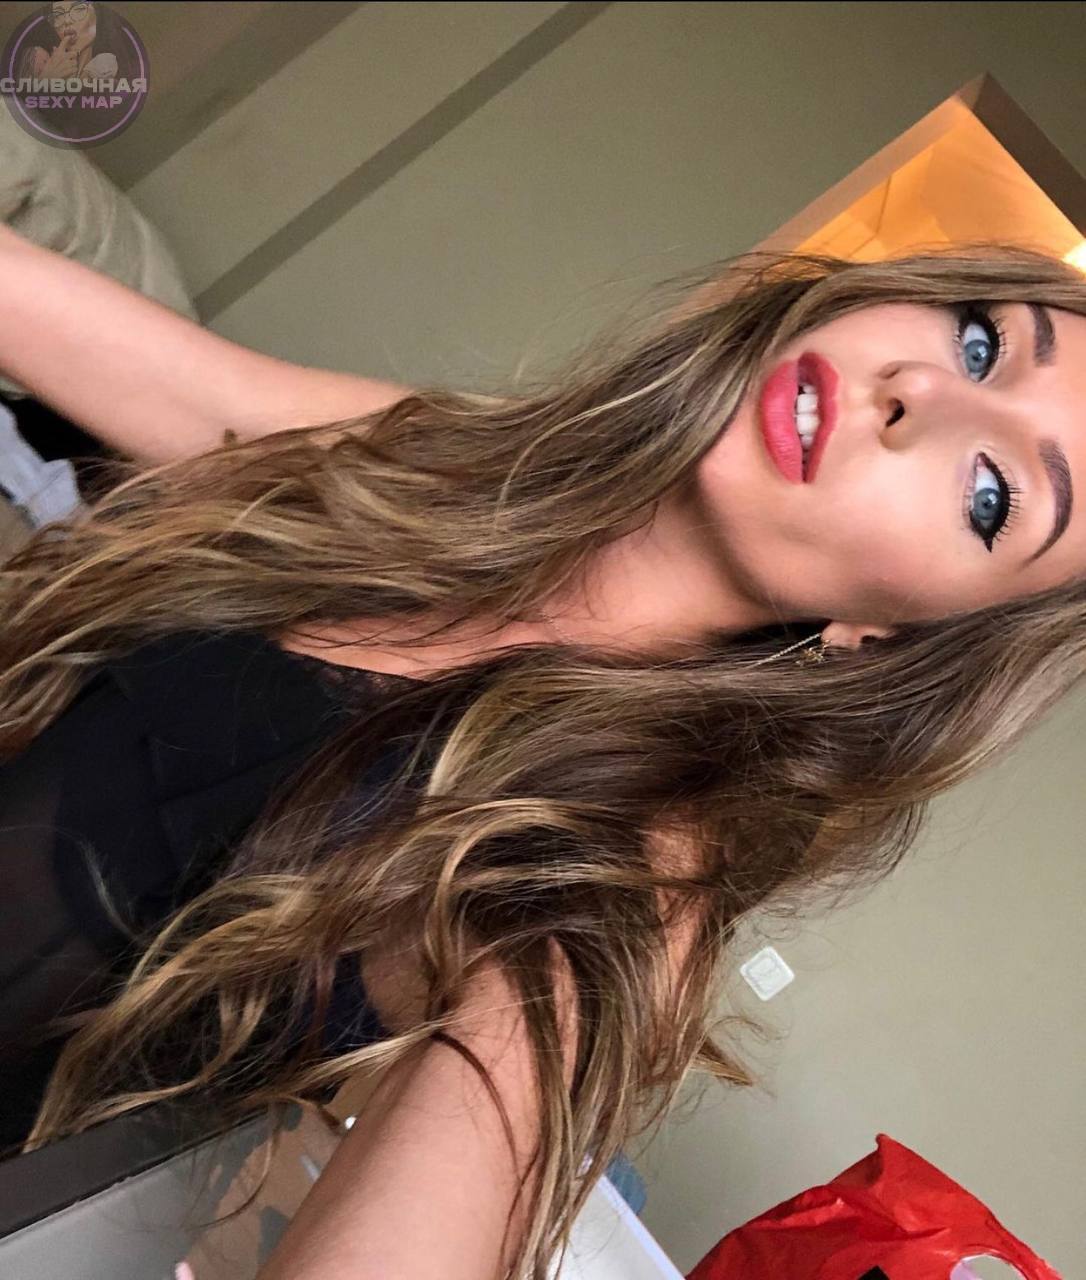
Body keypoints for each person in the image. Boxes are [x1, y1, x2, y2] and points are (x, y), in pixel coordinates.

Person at [1, 220, 1085, 1280]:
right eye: (981, 339)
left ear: (889, 636)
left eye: (992, 494)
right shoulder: (445, 466)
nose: (916, 392)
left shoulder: (631, 866)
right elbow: (173, 382)